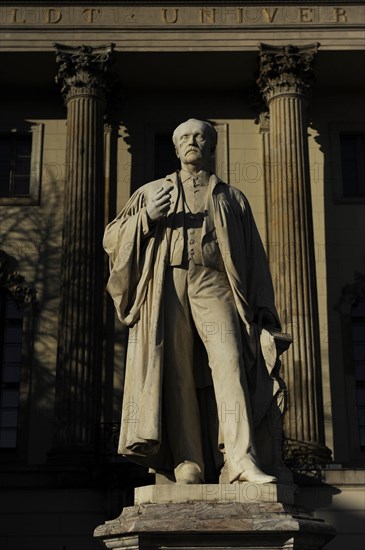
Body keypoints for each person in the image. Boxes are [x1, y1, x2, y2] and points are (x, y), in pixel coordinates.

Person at [104, 119, 283, 484]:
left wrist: (263, 306)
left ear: (212, 146)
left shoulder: (232, 197)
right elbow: (112, 238)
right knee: (177, 370)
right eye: (184, 137)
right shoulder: (151, 191)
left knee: (230, 361)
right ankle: (189, 462)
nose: (192, 142)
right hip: (168, 281)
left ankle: (240, 460)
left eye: (200, 136)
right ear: (175, 148)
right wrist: (146, 218)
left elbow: (254, 256)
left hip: (214, 282)